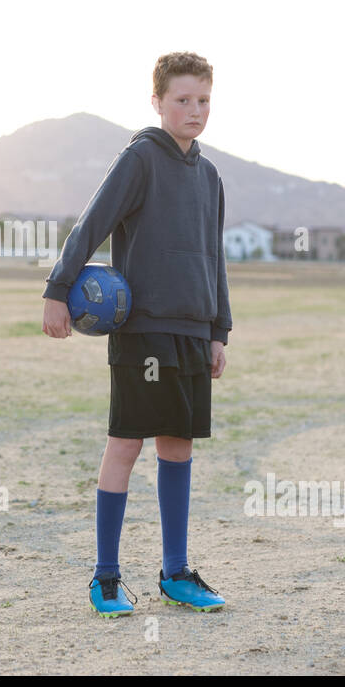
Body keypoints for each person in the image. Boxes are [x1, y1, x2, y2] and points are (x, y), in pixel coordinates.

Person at [41, 50, 232, 617]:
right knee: (126, 444)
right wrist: (58, 289)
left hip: (193, 333)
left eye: (203, 101)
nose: (194, 111)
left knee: (178, 444)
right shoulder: (140, 159)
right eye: (182, 100)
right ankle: (105, 578)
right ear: (158, 101)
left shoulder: (212, 175)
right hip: (142, 329)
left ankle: (176, 573)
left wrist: (219, 328)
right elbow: (92, 223)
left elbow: (214, 256)